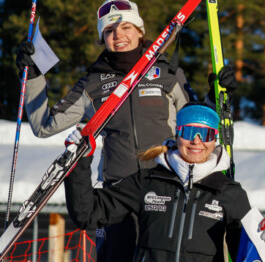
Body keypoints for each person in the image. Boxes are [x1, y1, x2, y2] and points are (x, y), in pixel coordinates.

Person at [15, 0, 237, 260]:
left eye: (125, 27)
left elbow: (196, 121)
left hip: (166, 191)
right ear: (102, 38)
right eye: (108, 31)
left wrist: (218, 95)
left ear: (140, 31)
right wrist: (34, 75)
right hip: (118, 196)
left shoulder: (166, 73)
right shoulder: (93, 82)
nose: (118, 35)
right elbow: (44, 126)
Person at [64, 102, 251, 261]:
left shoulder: (229, 193)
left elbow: (249, 252)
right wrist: (79, 162)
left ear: (215, 140)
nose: (197, 141)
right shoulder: (147, 181)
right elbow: (87, 213)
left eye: (206, 134)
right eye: (189, 131)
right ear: (178, 134)